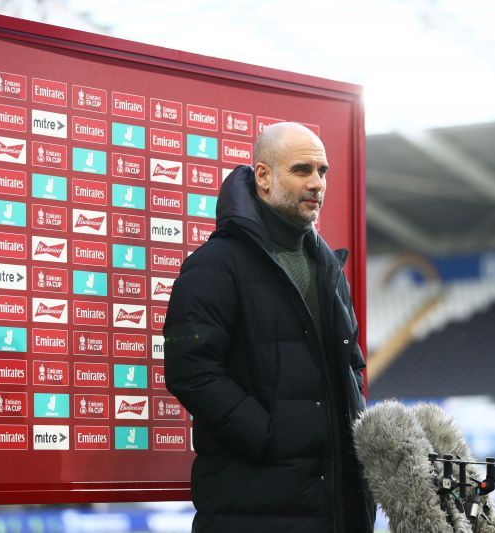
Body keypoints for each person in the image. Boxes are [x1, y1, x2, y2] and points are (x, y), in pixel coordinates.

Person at [164, 122, 376, 533]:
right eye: (302, 170)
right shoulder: (214, 264)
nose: (317, 183)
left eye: (323, 171)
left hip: (336, 512)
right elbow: (191, 371)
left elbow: (351, 368)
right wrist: (266, 435)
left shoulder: (329, 268)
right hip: (253, 511)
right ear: (263, 177)